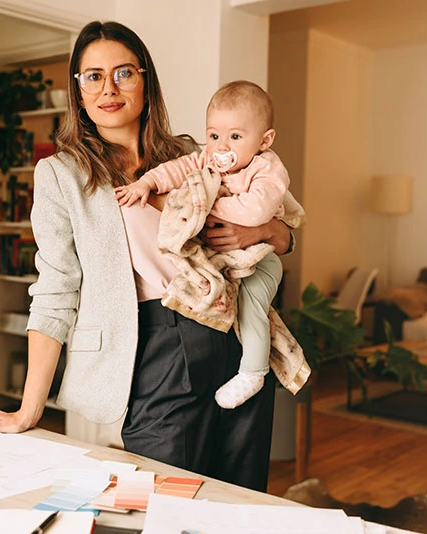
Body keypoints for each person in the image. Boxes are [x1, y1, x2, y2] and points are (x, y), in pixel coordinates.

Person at [0, 20, 298, 492]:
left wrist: (268, 230)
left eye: (124, 73)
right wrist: (28, 410)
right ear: (77, 91)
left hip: (235, 334)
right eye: (92, 76)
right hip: (155, 345)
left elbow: (280, 226)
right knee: (167, 501)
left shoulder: (193, 154)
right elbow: (55, 290)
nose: (108, 88)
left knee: (241, 497)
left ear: (145, 82)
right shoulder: (60, 175)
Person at [113, 80, 304, 410]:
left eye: (235, 136)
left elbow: (257, 211)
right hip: (212, 278)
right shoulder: (207, 160)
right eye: (214, 135)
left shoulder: (267, 168)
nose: (221, 146)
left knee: (252, 308)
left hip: (260, 262)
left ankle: (253, 373)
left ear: (265, 140)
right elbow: (178, 168)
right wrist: (147, 182)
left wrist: (202, 207)